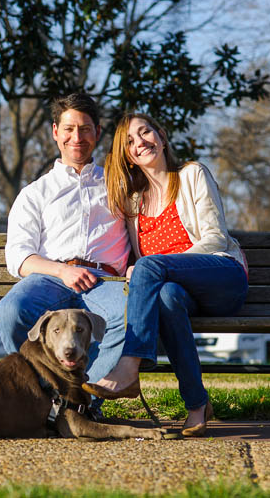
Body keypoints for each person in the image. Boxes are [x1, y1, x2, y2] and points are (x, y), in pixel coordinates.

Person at [83, 113, 248, 437]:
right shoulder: (134, 203)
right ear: (127, 156)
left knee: (149, 266)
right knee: (167, 296)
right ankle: (197, 404)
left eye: (145, 132)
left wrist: (158, 266)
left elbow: (215, 237)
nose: (141, 142)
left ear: (161, 136)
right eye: (130, 141)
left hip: (221, 275)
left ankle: (130, 364)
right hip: (181, 294)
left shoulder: (191, 174)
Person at [0, 93, 131, 389]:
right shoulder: (35, 193)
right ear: (56, 132)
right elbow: (19, 257)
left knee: (129, 314)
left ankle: (85, 399)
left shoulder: (118, 186)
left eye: (84, 128)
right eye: (68, 129)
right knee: (11, 312)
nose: (76, 137)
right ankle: (37, 394)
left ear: (97, 132)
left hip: (105, 281)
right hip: (51, 279)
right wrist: (62, 271)